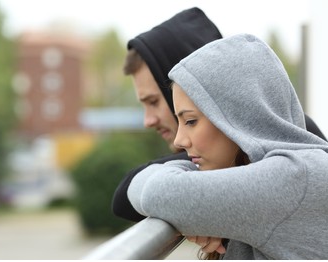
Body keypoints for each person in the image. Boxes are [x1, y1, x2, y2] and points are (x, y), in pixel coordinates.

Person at [112, 7, 327, 223]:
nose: (148, 121)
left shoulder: (291, 165)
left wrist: (191, 197)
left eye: (154, 102)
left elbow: (145, 193)